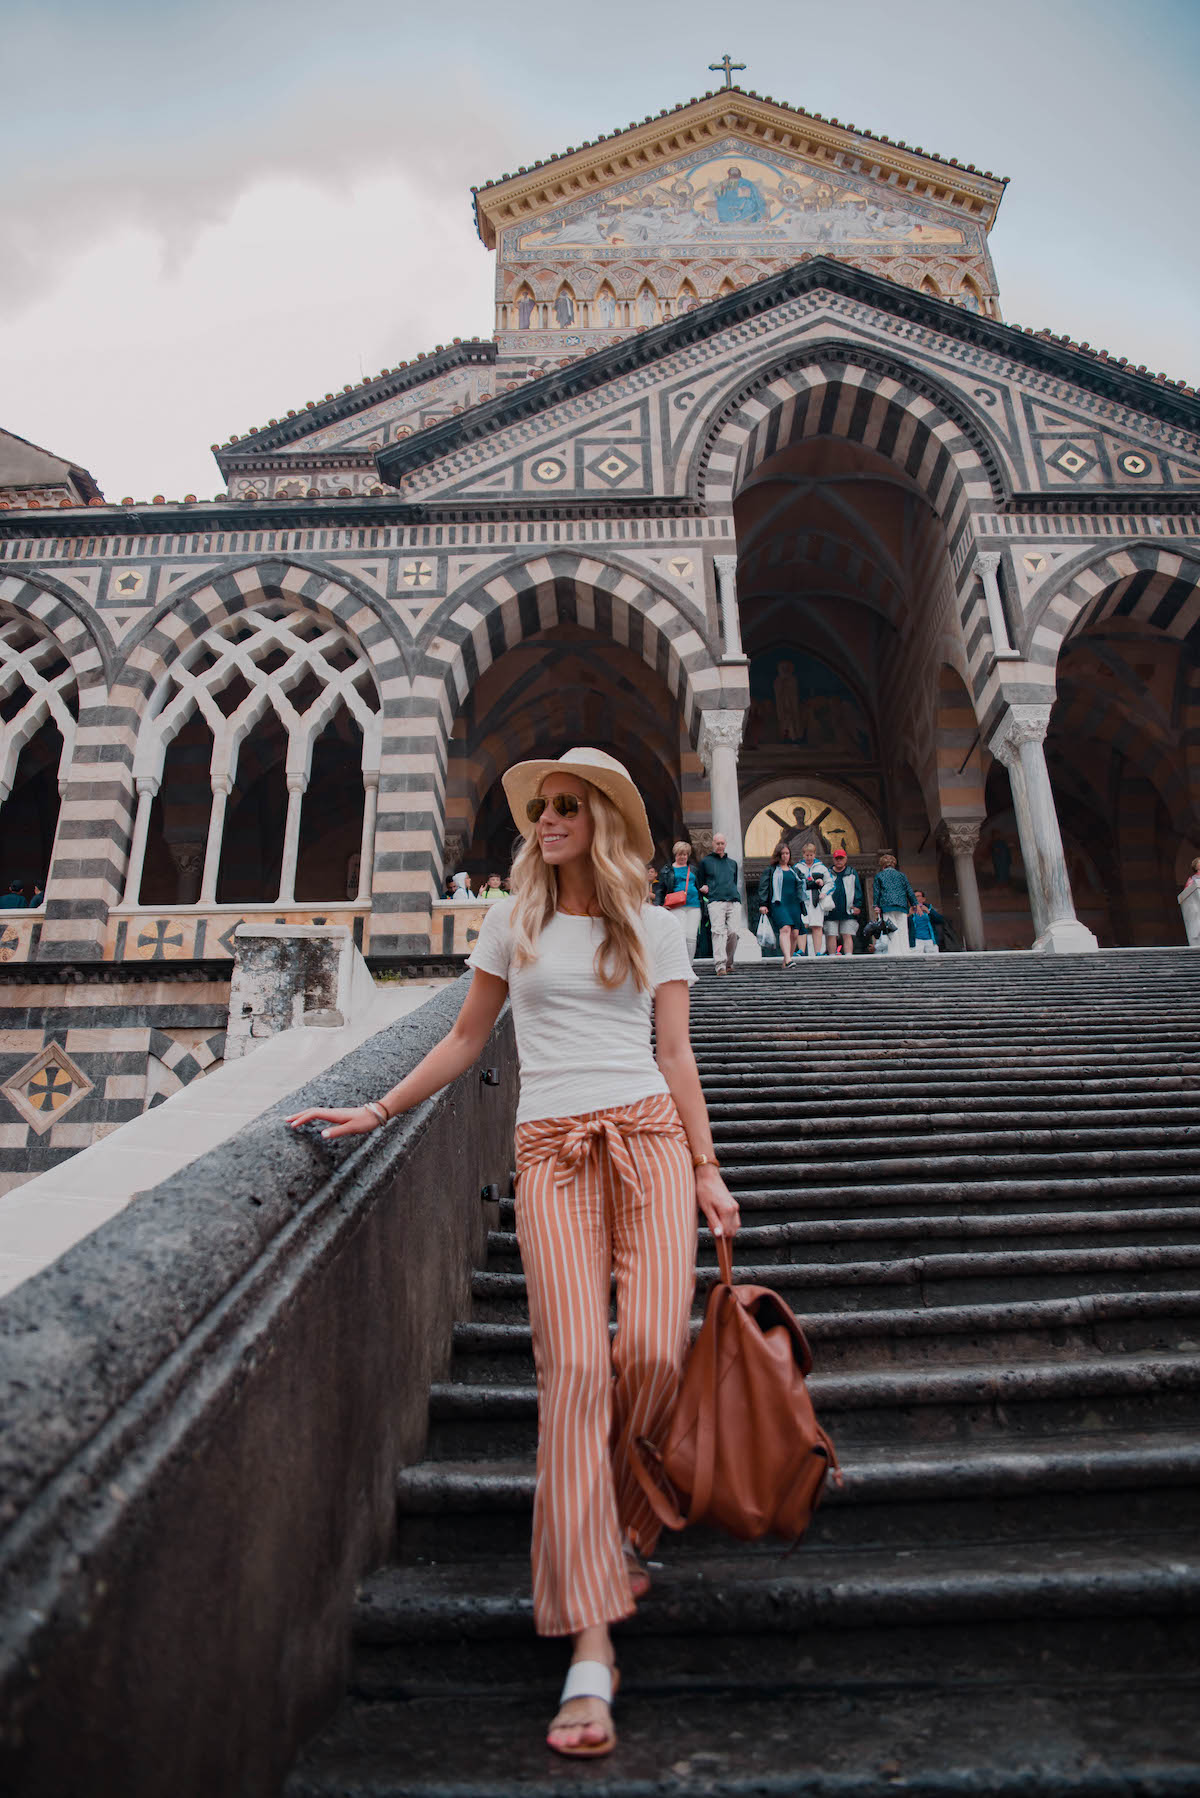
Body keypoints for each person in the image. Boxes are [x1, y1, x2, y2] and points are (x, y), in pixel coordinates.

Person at [287, 747, 739, 1759]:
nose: (548, 819)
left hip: (652, 1142)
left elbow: (675, 1055)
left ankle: (621, 1519)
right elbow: (463, 1038)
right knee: (575, 1371)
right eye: (541, 808)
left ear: (606, 821)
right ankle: (589, 1645)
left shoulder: (660, 925)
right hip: (551, 1151)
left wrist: (708, 1167)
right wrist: (378, 1104)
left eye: (567, 807)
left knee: (654, 1353)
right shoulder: (511, 919)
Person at [697, 832, 742, 975]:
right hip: (715, 901)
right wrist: (704, 888)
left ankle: (729, 962)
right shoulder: (705, 862)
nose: (720, 846)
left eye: (722, 843)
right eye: (717, 843)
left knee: (734, 932)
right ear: (713, 844)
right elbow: (700, 881)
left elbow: (734, 881)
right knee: (717, 932)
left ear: (725, 844)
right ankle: (720, 965)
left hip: (733, 900)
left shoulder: (732, 863)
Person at [756, 842, 806, 966]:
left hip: (794, 904)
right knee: (785, 928)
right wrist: (763, 904)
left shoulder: (795, 870)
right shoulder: (771, 870)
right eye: (782, 854)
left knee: (795, 933)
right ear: (778, 855)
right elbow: (764, 887)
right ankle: (788, 959)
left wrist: (817, 883)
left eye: (787, 853)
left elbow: (804, 883)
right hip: (778, 903)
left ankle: (786, 960)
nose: (785, 856)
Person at [657, 840, 702, 961]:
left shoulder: (693, 870)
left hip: (694, 905)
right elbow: (660, 889)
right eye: (680, 854)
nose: (682, 857)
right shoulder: (667, 870)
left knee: (691, 937)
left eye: (685, 854)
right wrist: (660, 904)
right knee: (680, 935)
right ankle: (680, 964)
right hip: (676, 906)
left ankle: (689, 965)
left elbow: (700, 884)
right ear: (675, 855)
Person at [872, 852, 915, 955]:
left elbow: (877, 892)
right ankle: (905, 950)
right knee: (903, 929)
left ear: (882, 865)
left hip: (887, 906)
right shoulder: (901, 875)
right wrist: (914, 903)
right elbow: (909, 890)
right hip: (902, 905)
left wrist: (876, 905)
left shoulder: (879, 876)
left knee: (892, 929)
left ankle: (895, 952)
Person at [823, 847, 864, 956]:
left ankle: (848, 956)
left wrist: (857, 905)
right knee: (831, 934)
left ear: (845, 859)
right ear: (833, 860)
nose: (839, 861)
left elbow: (857, 890)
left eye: (841, 858)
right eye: (837, 858)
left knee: (847, 934)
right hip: (830, 909)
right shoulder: (827, 873)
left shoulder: (851, 872)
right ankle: (831, 956)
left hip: (848, 909)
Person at [796, 840, 833, 957]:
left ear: (815, 854)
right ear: (803, 854)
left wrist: (824, 892)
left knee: (817, 926)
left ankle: (818, 951)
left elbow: (830, 883)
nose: (809, 857)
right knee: (803, 925)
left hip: (816, 900)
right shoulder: (797, 867)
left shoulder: (821, 868)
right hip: (802, 901)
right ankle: (801, 950)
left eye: (811, 855)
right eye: (807, 855)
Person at [908, 889, 945, 954]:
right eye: (914, 897)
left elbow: (940, 920)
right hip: (916, 940)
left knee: (934, 960)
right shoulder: (910, 910)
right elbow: (903, 926)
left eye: (918, 896)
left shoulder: (929, 908)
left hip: (930, 940)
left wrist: (928, 911)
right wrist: (909, 914)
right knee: (916, 960)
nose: (916, 898)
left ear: (923, 899)